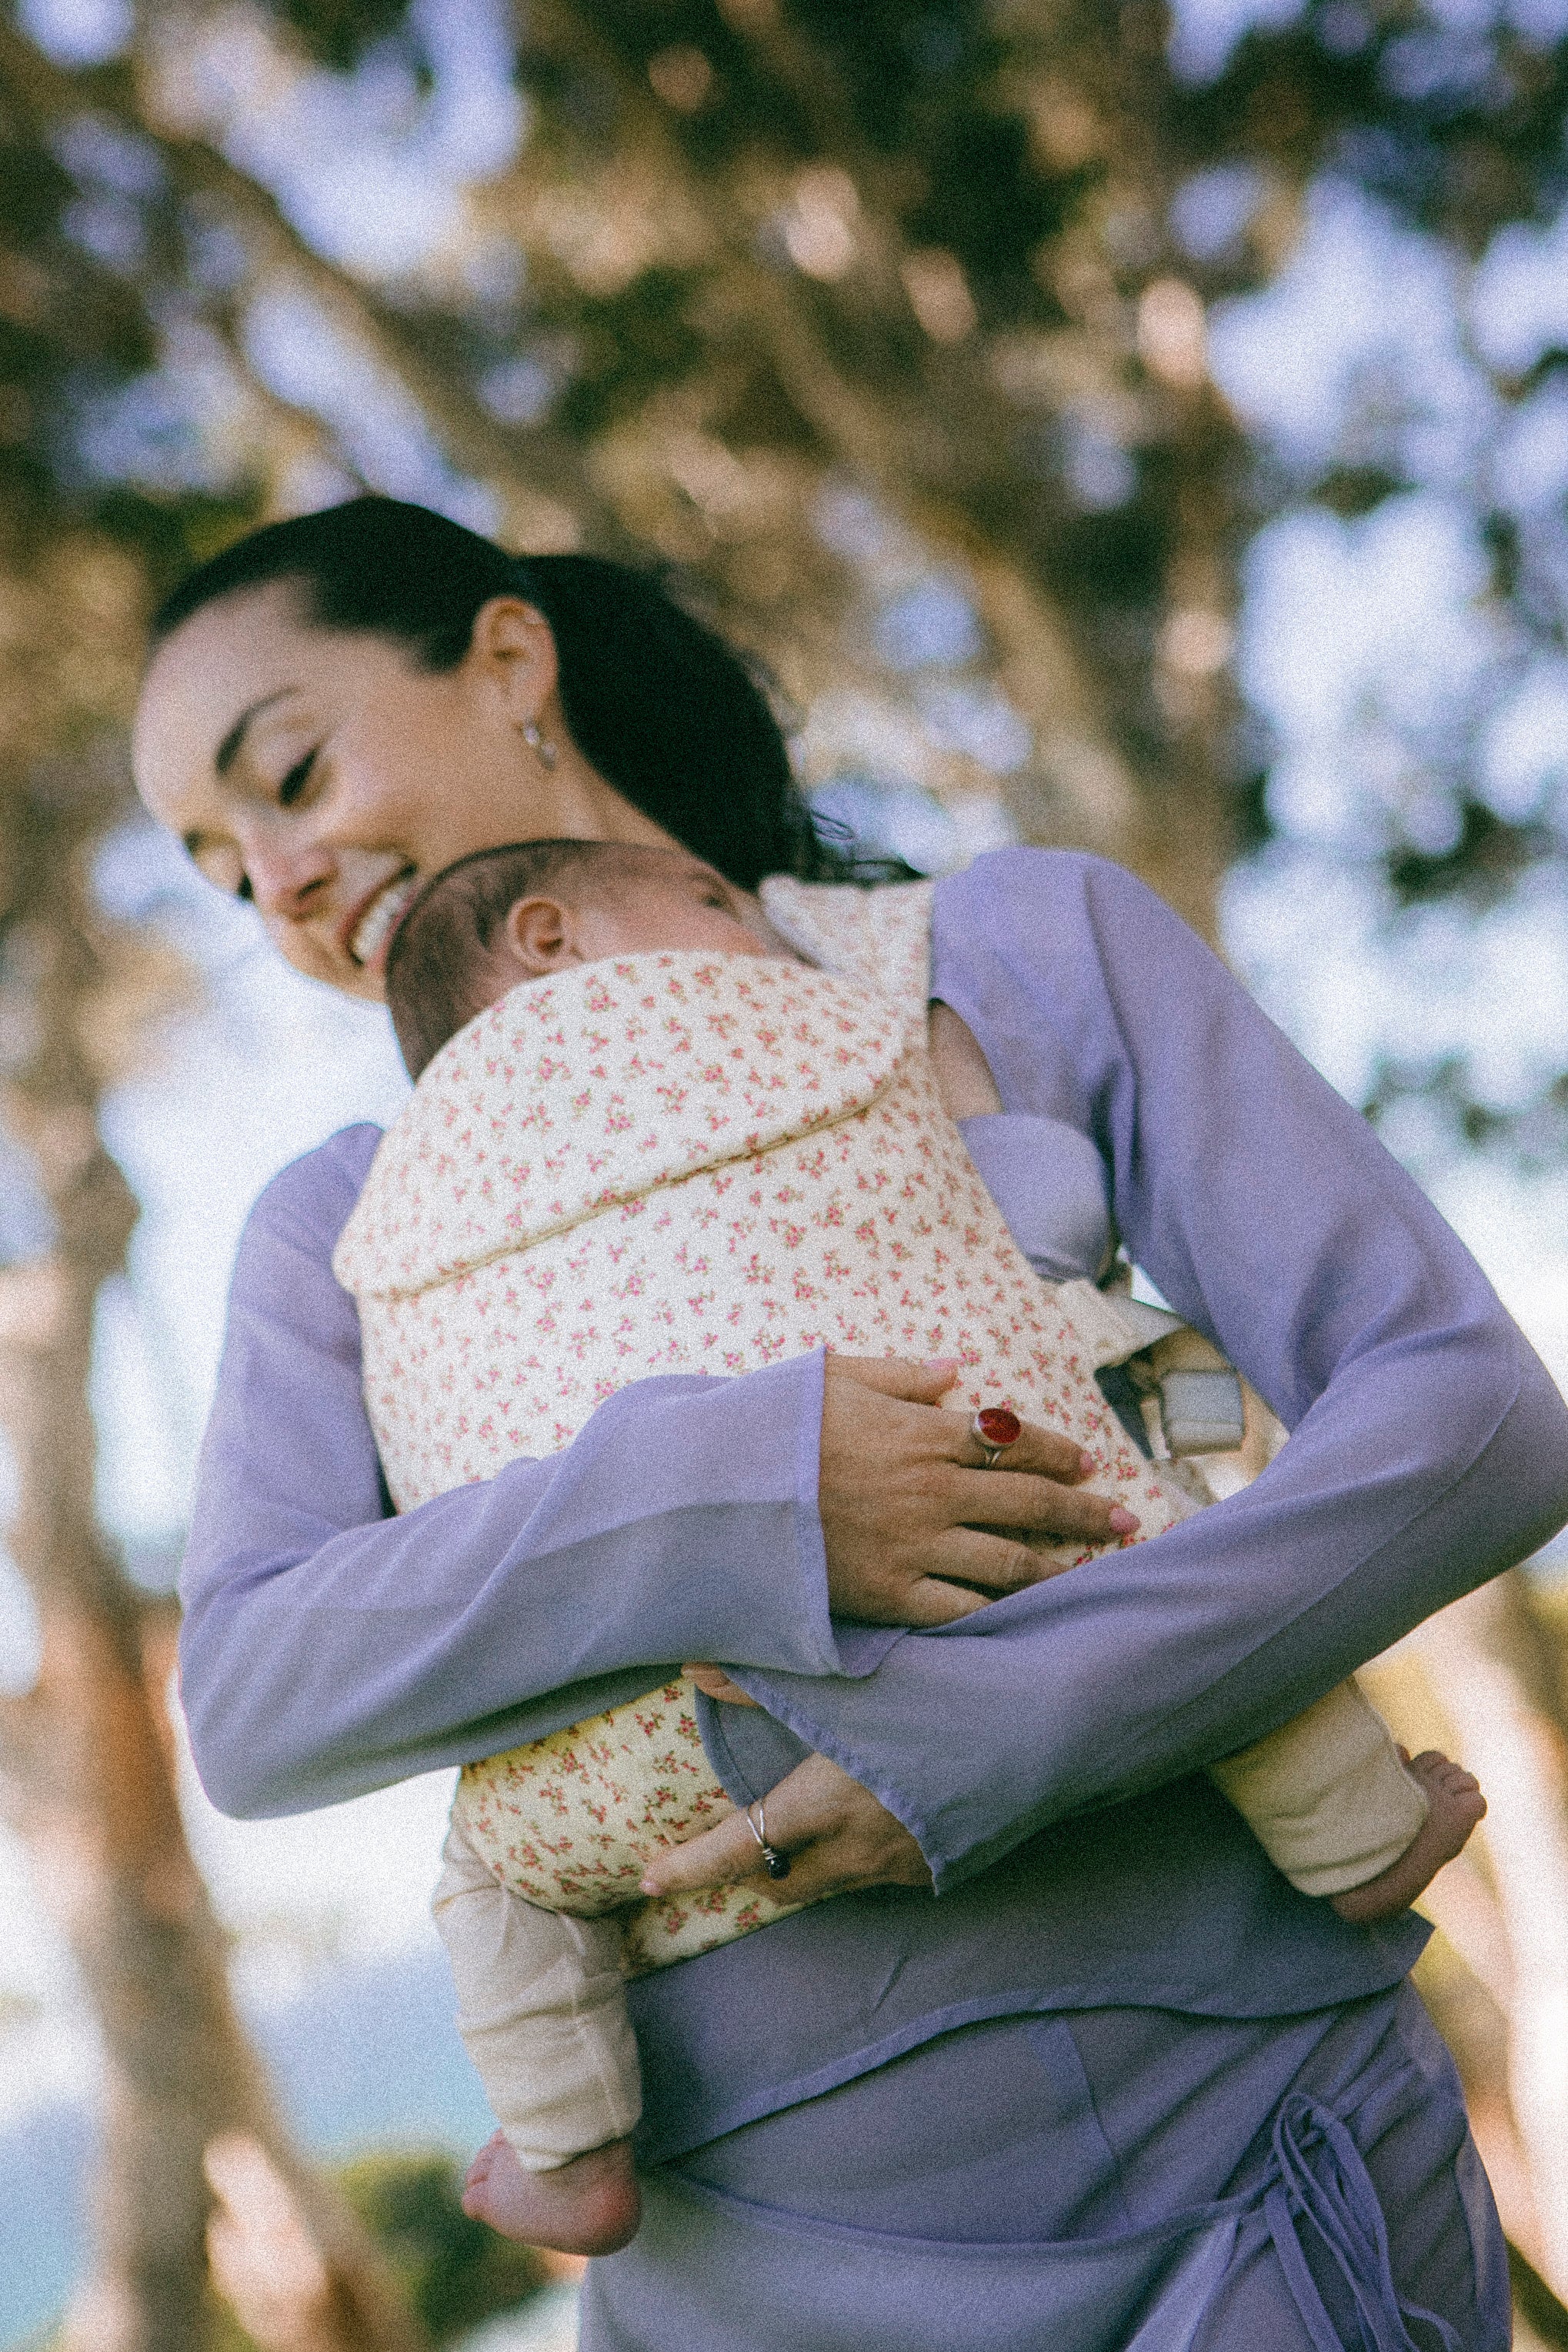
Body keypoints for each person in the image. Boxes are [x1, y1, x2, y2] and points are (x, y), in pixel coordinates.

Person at [135, 495, 1568, 2351]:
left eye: (290, 775)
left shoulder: (1019, 947)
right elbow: (257, 1697)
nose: (279, 879)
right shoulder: (341, 1221)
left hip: (1253, 2153)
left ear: (506, 661)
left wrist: (1001, 1724)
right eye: (220, 872)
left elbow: (1471, 1417)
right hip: (746, 2267)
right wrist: (743, 1489)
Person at [345, 831, 1484, 2258]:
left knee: (492, 1875)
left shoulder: (391, 1202)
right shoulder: (813, 1030)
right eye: (712, 903)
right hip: (978, 1535)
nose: (751, 937)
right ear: (548, 936)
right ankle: (1363, 1835)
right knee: (1147, 1535)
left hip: (634, 1725)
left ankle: (570, 2149)